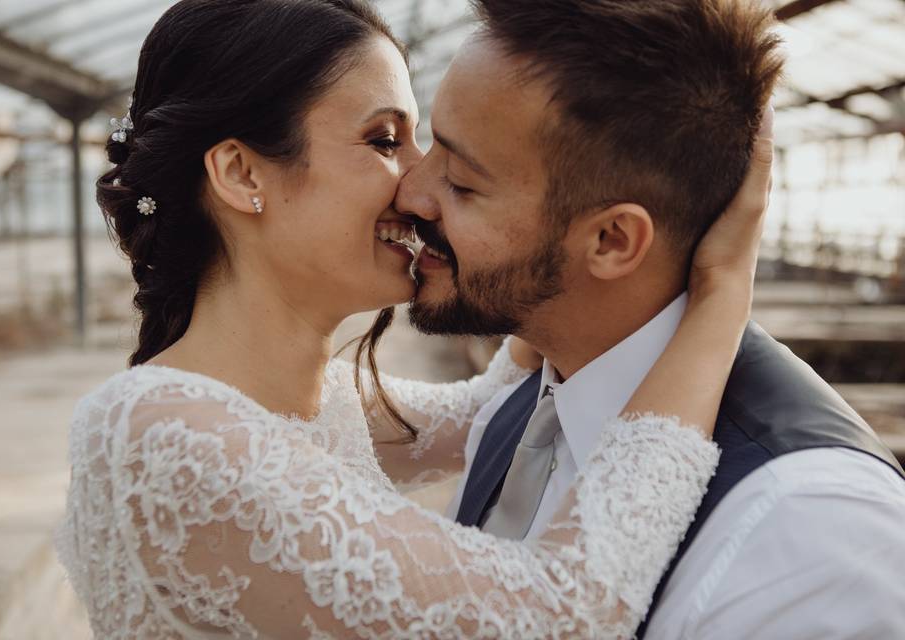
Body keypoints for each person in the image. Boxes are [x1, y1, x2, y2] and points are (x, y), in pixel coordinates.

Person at [54, 0, 773, 638]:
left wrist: (536, 245)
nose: (420, 186)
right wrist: (720, 297)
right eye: (384, 140)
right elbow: (556, 616)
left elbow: (489, 410)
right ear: (243, 175)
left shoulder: (299, 399)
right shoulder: (171, 439)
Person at [394, 0, 905, 638]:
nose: (410, 192)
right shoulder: (524, 400)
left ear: (612, 240)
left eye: (463, 183)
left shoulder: (812, 534)